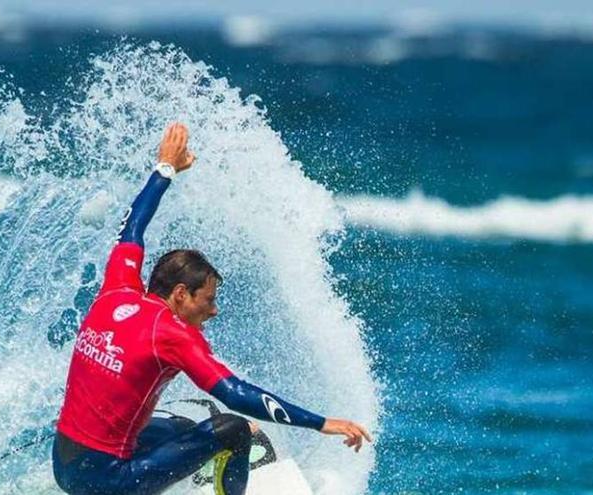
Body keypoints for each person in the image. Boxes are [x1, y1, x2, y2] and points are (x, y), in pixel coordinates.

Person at [53, 123, 371, 495]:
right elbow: (234, 393)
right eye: (209, 300)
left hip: (65, 464)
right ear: (182, 294)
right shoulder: (172, 335)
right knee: (232, 428)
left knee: (185, 428)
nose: (214, 311)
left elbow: (132, 229)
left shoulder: (117, 290)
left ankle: (204, 469)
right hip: (108, 482)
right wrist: (322, 423)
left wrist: (164, 169)